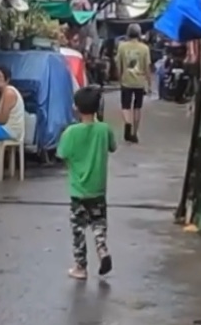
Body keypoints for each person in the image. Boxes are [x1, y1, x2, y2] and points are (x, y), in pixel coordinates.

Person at [56, 86, 117, 280]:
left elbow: (62, 155)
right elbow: (112, 147)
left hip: (78, 190)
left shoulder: (70, 132)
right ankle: (102, 248)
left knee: (79, 230)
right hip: (98, 189)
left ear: (76, 107)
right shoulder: (104, 129)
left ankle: (80, 268)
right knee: (99, 223)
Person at [115, 23, 153, 143]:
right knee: (137, 108)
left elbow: (118, 64)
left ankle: (128, 123)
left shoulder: (122, 47)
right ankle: (135, 133)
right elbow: (147, 67)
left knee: (126, 106)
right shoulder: (145, 48)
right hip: (139, 83)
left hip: (126, 81)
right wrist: (149, 83)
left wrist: (119, 77)